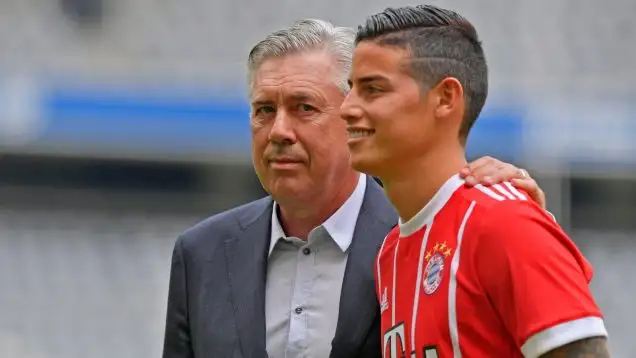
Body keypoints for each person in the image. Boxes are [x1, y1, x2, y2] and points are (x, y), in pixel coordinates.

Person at [162, 19, 548, 358]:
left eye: (304, 108)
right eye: (264, 109)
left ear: (354, 115)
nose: (279, 131)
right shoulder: (201, 254)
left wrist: (527, 229)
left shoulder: (426, 240)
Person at [341, 5, 609, 358]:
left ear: (445, 98)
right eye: (351, 89)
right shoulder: (389, 253)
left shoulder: (505, 222)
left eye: (372, 89)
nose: (346, 107)